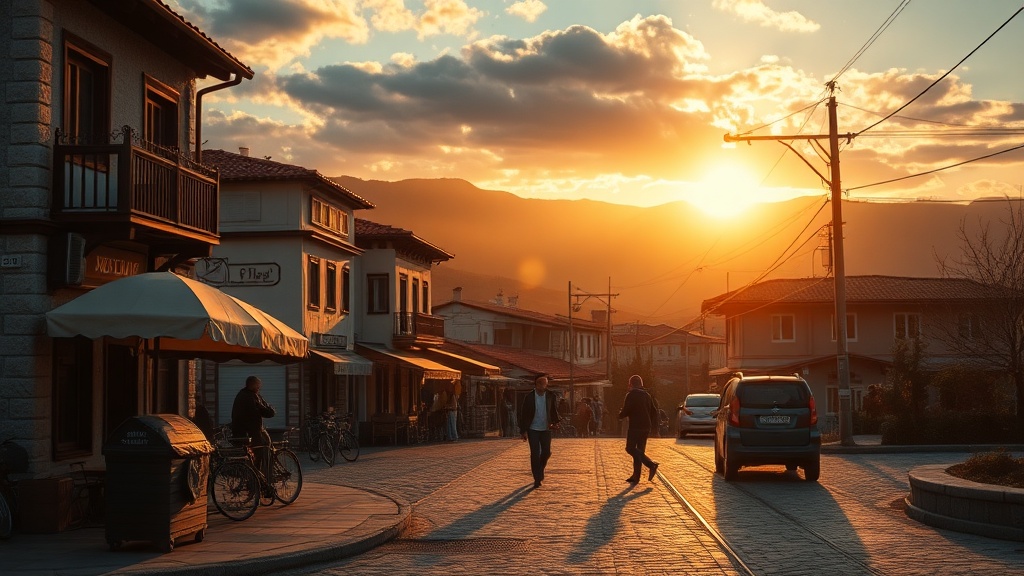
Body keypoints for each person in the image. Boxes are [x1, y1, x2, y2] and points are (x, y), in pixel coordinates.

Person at [518, 374, 561, 489]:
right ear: (536, 384)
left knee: (546, 452)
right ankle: (537, 478)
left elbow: (553, 410)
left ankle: (540, 469)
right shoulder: (529, 397)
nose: (543, 386)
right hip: (533, 429)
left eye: (545, 383)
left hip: (546, 428)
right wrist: (523, 431)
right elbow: (524, 414)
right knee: (535, 454)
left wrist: (556, 422)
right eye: (541, 383)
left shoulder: (550, 396)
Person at [232, 375, 276, 478]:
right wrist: (270, 409)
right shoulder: (251, 397)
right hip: (252, 432)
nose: (259, 387)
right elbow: (267, 412)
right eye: (258, 385)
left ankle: (257, 477)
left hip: (241, 432)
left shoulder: (242, 394)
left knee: (256, 452)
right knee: (262, 450)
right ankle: (263, 477)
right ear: (252, 385)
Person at [618, 374, 660, 483]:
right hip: (646, 427)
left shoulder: (631, 395)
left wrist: (620, 414)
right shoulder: (647, 395)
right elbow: (654, 411)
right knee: (639, 451)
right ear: (641, 384)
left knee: (630, 448)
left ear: (630, 384)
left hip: (635, 426)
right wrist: (651, 424)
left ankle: (651, 465)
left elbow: (626, 410)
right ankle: (636, 476)